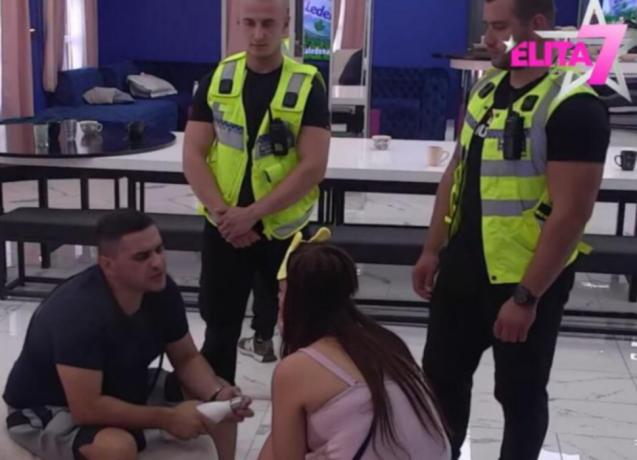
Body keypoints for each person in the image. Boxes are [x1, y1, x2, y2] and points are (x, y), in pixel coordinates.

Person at [413, 1, 610, 459]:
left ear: (538, 25)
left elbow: (571, 214)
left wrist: (526, 297)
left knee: (520, 395)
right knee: (440, 382)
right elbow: (456, 172)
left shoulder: (573, 104)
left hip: (525, 278)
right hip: (463, 268)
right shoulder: (486, 89)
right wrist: (432, 248)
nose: (488, 39)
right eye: (487, 26)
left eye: (500, 27)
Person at [3, 210, 253, 460]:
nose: (157, 263)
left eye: (159, 250)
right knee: (117, 448)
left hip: (122, 383)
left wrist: (216, 394)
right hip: (52, 404)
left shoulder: (160, 290)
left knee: (222, 402)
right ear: (107, 265)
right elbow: (86, 408)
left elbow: (187, 358)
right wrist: (168, 419)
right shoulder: (78, 313)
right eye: (142, 256)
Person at [183, 0, 331, 382]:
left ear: (286, 25)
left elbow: (313, 166)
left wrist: (251, 214)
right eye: (249, 23)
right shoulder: (218, 79)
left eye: (268, 24)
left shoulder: (306, 84)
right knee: (219, 328)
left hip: (283, 232)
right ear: (238, 23)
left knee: (299, 332)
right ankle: (217, 406)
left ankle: (299, 407)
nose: (258, 34)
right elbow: (193, 156)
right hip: (225, 229)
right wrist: (226, 216)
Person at [258, 236, 450, 460]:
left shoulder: (296, 369)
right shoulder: (387, 341)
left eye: (282, 293)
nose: (279, 301)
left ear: (295, 301)